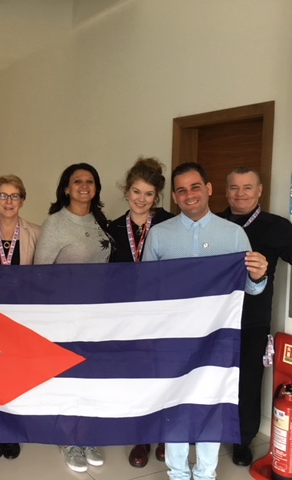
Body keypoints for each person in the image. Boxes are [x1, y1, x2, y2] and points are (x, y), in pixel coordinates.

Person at [141, 162, 268, 480]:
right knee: (177, 404)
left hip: (217, 340)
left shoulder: (233, 234)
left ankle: (206, 473)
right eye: (181, 190)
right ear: (174, 196)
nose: (189, 195)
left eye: (195, 187)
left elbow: (250, 288)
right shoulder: (159, 235)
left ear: (209, 189)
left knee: (212, 403)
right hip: (173, 339)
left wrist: (259, 274)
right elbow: (145, 289)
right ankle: (179, 473)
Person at [218, 166, 292, 466]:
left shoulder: (274, 226)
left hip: (252, 319)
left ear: (259, 191)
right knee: (210, 377)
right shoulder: (213, 223)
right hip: (213, 319)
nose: (240, 194)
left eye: (247, 187)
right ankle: (207, 429)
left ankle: (242, 440)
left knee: (248, 382)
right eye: (234, 187)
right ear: (225, 190)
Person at [34, 163, 111, 473]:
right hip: (65, 316)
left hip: (99, 316)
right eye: (77, 181)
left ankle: (88, 433)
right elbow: (40, 275)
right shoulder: (55, 223)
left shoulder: (102, 221)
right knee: (68, 376)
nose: (83, 186)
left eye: (90, 181)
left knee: (93, 376)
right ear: (66, 188)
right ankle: (68, 437)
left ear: (96, 187)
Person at [107, 157, 174, 467]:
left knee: (165, 374)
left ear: (157, 196)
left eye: (148, 194)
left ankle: (164, 435)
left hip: (163, 314)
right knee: (137, 377)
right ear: (126, 191)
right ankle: (141, 437)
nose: (141, 199)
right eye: (136, 192)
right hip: (128, 317)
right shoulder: (111, 228)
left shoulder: (170, 224)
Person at [0, 174, 41, 461]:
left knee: (16, 375)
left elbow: (41, 276)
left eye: (15, 196)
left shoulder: (37, 232)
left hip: (22, 315)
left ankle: (12, 433)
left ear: (23, 200)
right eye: (3, 195)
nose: (9, 201)